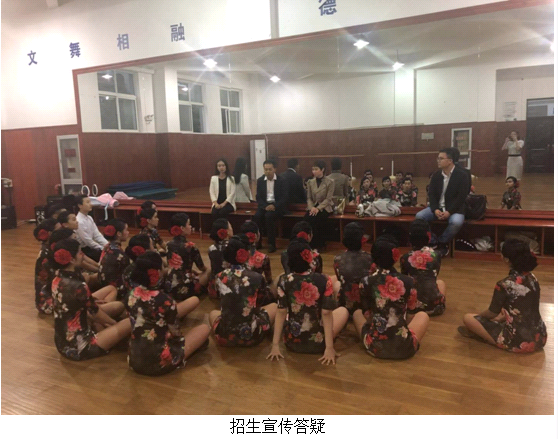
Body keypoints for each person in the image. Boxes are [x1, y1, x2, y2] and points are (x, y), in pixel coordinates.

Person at [127, 251, 210, 376]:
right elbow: (175, 332)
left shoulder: (130, 295)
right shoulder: (165, 300)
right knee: (204, 328)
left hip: (134, 359)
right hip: (159, 362)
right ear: (157, 272)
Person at [267, 241, 349, 365]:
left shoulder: (284, 280)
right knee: (343, 311)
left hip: (292, 341)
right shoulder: (324, 279)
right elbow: (326, 313)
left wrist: (275, 345)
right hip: (319, 343)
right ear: (310, 258)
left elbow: (281, 311)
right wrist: (329, 348)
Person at [459, 239, 547, 353]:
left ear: (506, 259)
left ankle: (486, 337)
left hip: (517, 341)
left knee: (468, 318)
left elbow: (492, 313)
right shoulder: (533, 278)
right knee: (502, 311)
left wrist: (479, 317)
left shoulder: (504, 284)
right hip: (540, 337)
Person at [50, 238, 132, 361]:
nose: (82, 255)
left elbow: (83, 307)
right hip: (80, 345)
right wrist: (115, 324)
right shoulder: (79, 286)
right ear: (71, 259)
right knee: (129, 322)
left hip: (63, 341)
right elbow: (95, 313)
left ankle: (103, 330)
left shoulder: (56, 279)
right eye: (79, 253)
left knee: (117, 306)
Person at [353, 236, 429, 359]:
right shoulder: (409, 281)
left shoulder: (365, 281)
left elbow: (367, 315)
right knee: (423, 315)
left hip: (375, 347)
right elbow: (410, 317)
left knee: (357, 314)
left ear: (373, 258)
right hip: (404, 348)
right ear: (396, 256)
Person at [209, 235, 277, 347]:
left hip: (225, 336)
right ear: (245, 254)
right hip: (251, 335)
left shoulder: (219, 276)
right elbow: (259, 305)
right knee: (273, 306)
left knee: (212, 313)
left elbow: (214, 295)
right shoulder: (257, 277)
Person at [415, 148, 470, 257]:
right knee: (419, 216)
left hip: (455, 209)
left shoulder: (462, 175)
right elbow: (431, 194)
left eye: (441, 158)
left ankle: (442, 242)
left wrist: (449, 212)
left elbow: (461, 197)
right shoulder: (436, 175)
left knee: (456, 222)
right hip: (438, 208)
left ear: (450, 161)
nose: (438, 161)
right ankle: (433, 241)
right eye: (438, 158)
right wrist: (435, 209)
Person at [399, 219, 446, 316]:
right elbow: (434, 275)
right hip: (435, 307)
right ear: (429, 236)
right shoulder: (436, 255)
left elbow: (405, 279)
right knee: (440, 282)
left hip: (412, 307)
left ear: (410, 238)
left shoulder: (405, 257)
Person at [165, 213, 209, 301]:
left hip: (170, 284)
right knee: (209, 271)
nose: (191, 226)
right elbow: (202, 267)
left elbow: (175, 266)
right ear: (182, 228)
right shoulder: (191, 247)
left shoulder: (168, 244)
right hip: (185, 285)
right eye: (189, 224)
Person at [333, 222, 373, 315]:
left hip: (345, 305)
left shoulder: (337, 259)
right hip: (365, 306)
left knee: (336, 282)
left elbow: (341, 279)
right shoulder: (370, 258)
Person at [254, 159, 287, 253]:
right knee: (257, 216)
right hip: (265, 205)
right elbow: (258, 197)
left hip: (277, 206)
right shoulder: (260, 180)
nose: (268, 171)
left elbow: (284, 197)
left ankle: (271, 244)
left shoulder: (282, 180)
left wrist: (274, 206)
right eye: (266, 169)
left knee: (269, 216)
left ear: (275, 169)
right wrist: (265, 206)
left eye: (270, 169)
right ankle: (258, 242)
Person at [304, 160, 334, 251]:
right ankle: (309, 243)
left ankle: (319, 244)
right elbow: (309, 198)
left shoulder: (330, 182)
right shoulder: (310, 182)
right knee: (307, 218)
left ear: (322, 169)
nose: (314, 171)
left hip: (325, 207)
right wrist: (311, 208)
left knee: (319, 219)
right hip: (313, 206)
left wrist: (318, 208)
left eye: (316, 169)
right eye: (313, 169)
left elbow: (328, 199)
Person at [98, 219, 131, 301]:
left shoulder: (107, 247)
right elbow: (127, 275)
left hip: (103, 285)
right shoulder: (120, 254)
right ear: (119, 234)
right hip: (115, 288)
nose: (128, 232)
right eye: (126, 230)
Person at [33, 218, 59, 314]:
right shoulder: (45, 254)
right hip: (47, 301)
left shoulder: (50, 248)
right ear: (49, 233)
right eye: (58, 230)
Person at [74, 195, 108, 262]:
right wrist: (102, 248)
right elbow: (87, 241)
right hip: (84, 249)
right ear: (80, 205)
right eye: (87, 202)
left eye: (90, 202)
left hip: (91, 247)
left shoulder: (89, 218)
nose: (91, 204)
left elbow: (97, 234)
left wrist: (107, 245)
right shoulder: (79, 221)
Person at [240, 220, 272, 286]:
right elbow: (269, 280)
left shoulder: (235, 253)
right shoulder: (263, 258)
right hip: (255, 289)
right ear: (257, 236)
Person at [207, 218, 234, 299]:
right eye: (230, 227)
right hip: (230, 288)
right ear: (226, 231)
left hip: (214, 289)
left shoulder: (211, 248)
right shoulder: (233, 247)